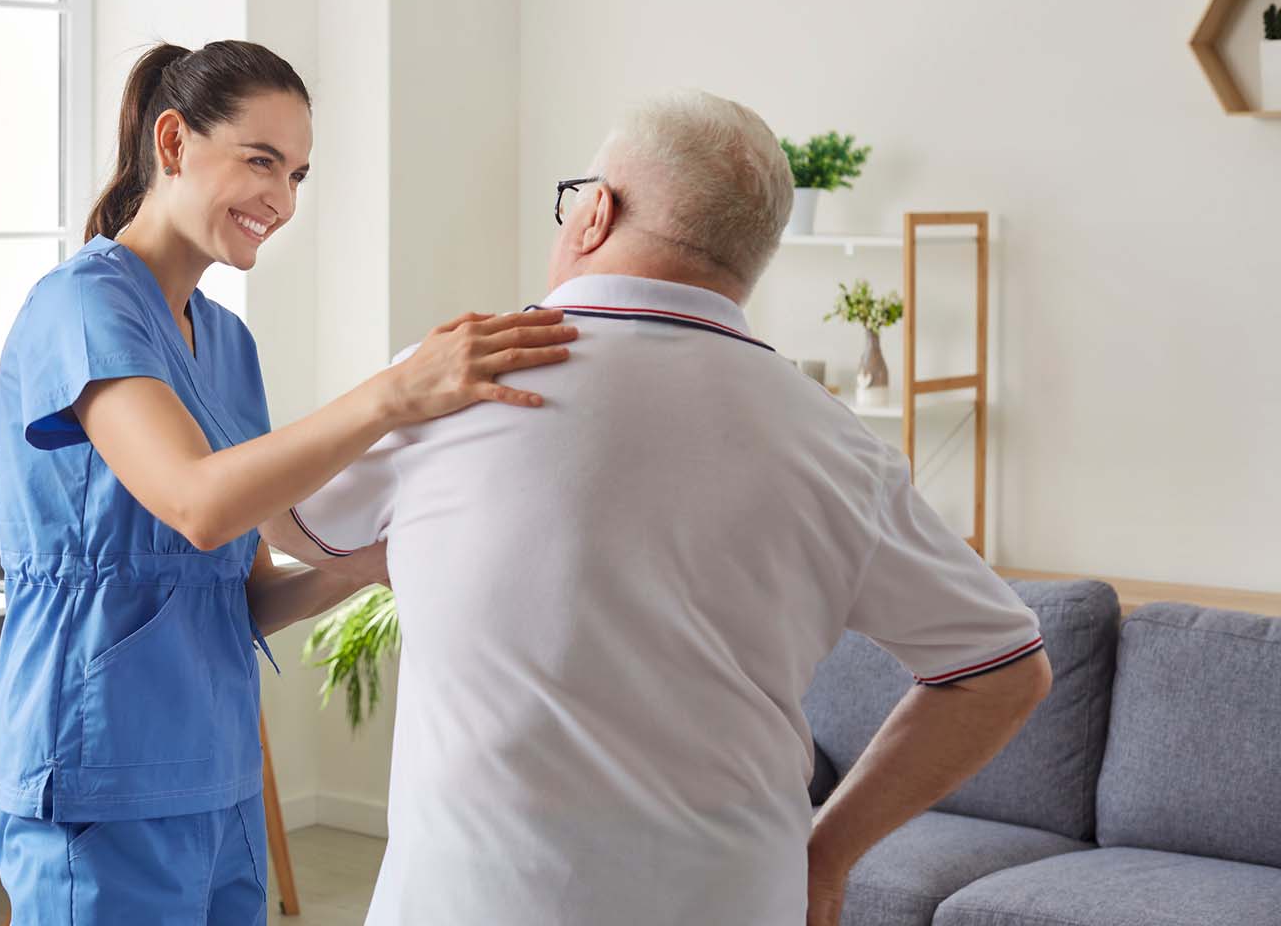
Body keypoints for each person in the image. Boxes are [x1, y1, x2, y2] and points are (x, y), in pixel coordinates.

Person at [266, 90, 1053, 926]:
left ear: (595, 213)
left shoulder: (456, 384)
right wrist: (828, 856)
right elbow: (1005, 668)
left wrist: (415, 521)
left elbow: (282, 518)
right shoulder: (838, 444)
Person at [0, 39, 577, 926]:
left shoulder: (228, 343)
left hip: (220, 776)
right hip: (100, 777)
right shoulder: (81, 306)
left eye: (297, 175)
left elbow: (244, 595)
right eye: (261, 162)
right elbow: (197, 503)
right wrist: (396, 392)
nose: (283, 200)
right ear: (174, 141)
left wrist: (383, 559)